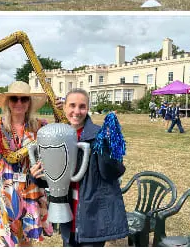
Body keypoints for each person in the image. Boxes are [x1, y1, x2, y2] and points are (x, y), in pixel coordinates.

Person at [33, 89, 129, 246]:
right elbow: (55, 176)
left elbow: (113, 173)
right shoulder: (57, 136)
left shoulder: (98, 135)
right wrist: (37, 177)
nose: (77, 111)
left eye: (82, 106)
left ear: (88, 108)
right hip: (67, 212)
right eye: (72, 105)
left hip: (93, 218)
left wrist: (107, 147)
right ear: (64, 107)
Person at [0, 80, 55, 246]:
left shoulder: (40, 126)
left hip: (30, 187)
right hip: (3, 189)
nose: (19, 102)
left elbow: (51, 154)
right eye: (14, 98)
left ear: (29, 103)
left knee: (26, 238)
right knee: (2, 239)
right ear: (8, 102)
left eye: (24, 99)